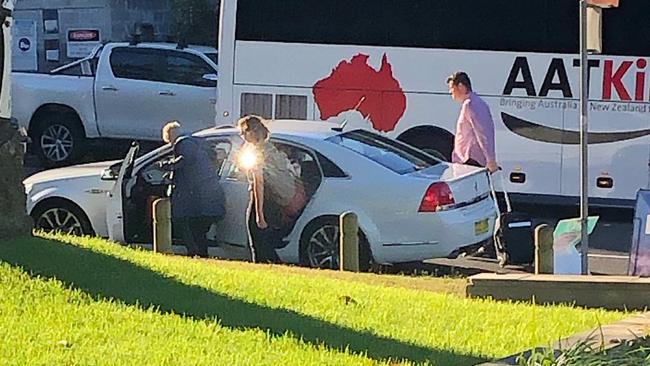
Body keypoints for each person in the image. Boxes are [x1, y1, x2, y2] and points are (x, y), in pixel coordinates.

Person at [237, 115, 306, 263]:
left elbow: (258, 183)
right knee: (267, 243)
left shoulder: (257, 152)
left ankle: (261, 271)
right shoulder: (271, 148)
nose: (242, 136)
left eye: (243, 132)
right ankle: (276, 268)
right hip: (276, 201)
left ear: (251, 132)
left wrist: (259, 214)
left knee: (257, 241)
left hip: (263, 201)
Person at [161, 121, 226, 258]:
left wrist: (166, 165)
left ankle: (194, 253)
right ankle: (201, 256)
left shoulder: (184, 143)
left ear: (170, 137)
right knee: (198, 230)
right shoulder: (199, 144)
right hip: (209, 196)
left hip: (197, 199)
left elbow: (185, 160)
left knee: (182, 222)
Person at [447, 71, 498, 173]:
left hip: (470, 160)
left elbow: (483, 133)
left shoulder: (471, 105)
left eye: (452, 88)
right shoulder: (474, 103)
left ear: (461, 86)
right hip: (467, 160)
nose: (450, 92)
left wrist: (491, 160)